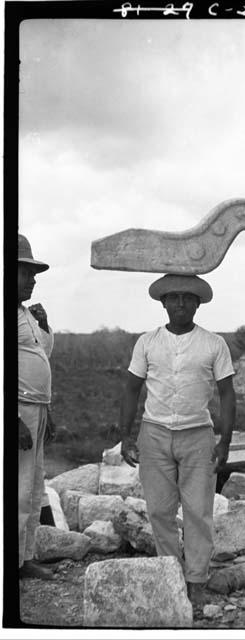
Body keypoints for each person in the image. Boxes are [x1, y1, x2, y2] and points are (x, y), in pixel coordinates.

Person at [120, 274, 236, 605]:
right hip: (153, 434)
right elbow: (131, 389)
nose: (180, 303)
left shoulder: (214, 344)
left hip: (198, 434)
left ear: (198, 303)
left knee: (199, 511)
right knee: (159, 511)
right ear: (163, 303)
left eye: (188, 297)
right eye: (173, 297)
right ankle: (171, 575)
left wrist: (224, 441)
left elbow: (227, 395)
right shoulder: (147, 342)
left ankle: (196, 579)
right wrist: (125, 437)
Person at [18, 234, 56, 579]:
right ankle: (12, 563)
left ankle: (25, 558)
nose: (33, 280)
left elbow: (40, 355)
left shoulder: (25, 314)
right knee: (18, 488)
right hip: (19, 411)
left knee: (34, 487)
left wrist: (43, 326)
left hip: (37, 409)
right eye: (26, 273)